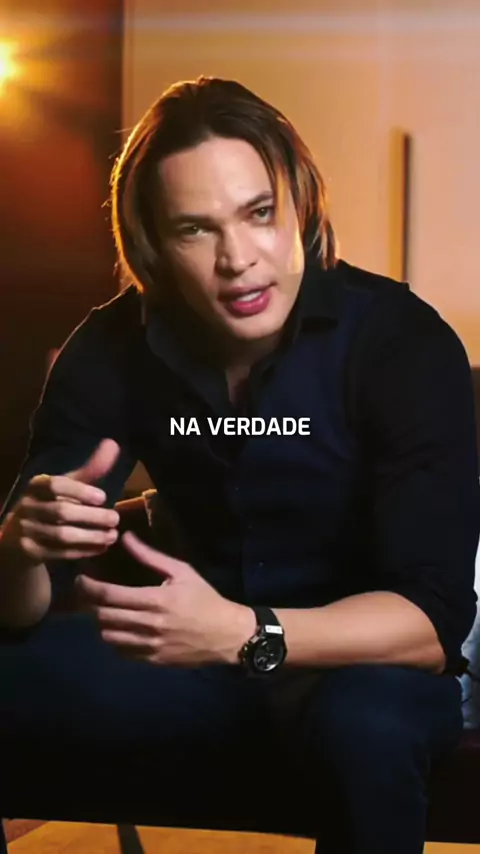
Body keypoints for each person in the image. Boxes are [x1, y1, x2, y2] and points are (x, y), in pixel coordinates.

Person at [0, 75, 479, 854]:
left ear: (300, 201)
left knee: (366, 728)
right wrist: (20, 548)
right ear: (154, 245)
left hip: (363, 666)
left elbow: (430, 624)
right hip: (190, 664)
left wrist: (241, 631)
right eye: (196, 229)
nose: (240, 260)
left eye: (259, 213)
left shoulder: (404, 342)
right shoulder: (111, 347)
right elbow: (19, 607)